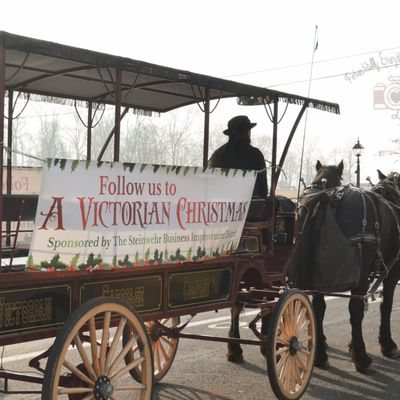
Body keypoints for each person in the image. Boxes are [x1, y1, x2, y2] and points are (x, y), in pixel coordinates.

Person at [209, 115, 268, 198]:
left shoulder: (218, 154)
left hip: (222, 202)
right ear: (246, 133)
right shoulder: (255, 154)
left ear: (230, 135)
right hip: (250, 203)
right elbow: (263, 187)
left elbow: (211, 182)